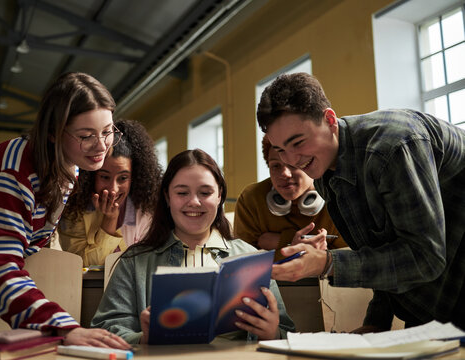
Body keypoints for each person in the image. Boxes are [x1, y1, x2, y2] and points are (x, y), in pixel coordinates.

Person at [0, 72, 131, 349]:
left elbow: (27, 246)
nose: (102, 145)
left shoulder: (68, 165)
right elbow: (0, 269)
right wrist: (64, 328)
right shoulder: (15, 176)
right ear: (53, 133)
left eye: (108, 131)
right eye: (86, 135)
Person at [256, 72, 465, 330]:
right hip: (431, 309)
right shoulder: (322, 169)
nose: (292, 160)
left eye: (298, 142)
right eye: (280, 150)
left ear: (330, 120)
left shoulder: (394, 147)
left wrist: (327, 263)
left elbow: (426, 257)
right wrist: (375, 325)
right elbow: (383, 251)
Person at [91, 149, 295, 344]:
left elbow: (288, 333)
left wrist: (272, 333)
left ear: (220, 195)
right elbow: (106, 328)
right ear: (167, 197)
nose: (194, 202)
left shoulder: (252, 259)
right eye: (182, 193)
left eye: (205, 192)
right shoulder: (134, 261)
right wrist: (143, 339)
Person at [58, 119, 162, 267]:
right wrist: (109, 221)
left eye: (123, 178)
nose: (113, 188)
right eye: (105, 177)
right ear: (90, 174)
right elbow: (84, 266)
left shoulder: (147, 212)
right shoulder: (73, 212)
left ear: (135, 177)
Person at [234, 134, 346, 261]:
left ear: (312, 164)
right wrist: (293, 245)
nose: (285, 174)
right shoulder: (251, 198)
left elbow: (349, 260)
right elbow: (242, 262)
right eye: (276, 166)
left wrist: (278, 243)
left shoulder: (338, 197)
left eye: (293, 164)